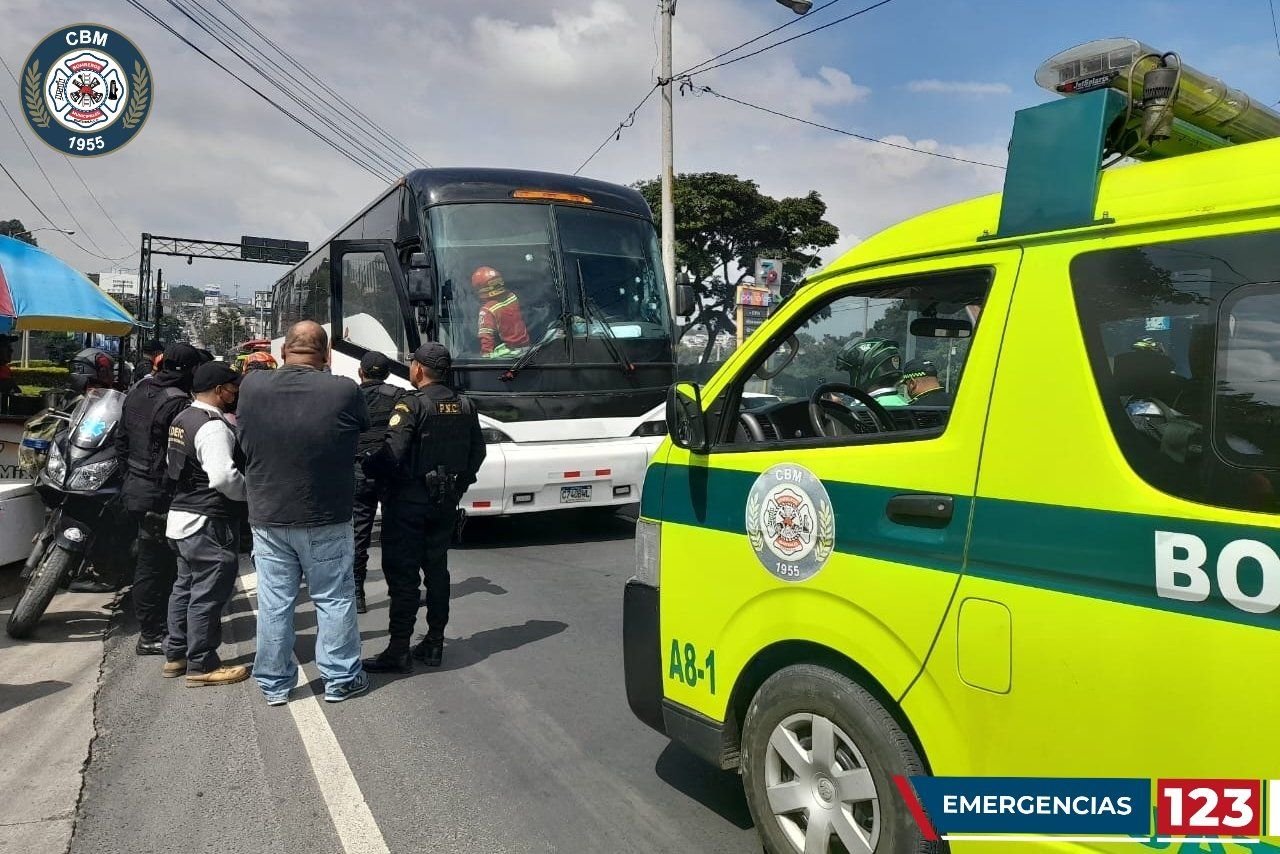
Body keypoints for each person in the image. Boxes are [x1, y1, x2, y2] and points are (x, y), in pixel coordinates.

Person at [236, 321, 370, 705]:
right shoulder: (344, 389)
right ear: (327, 356)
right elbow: (361, 430)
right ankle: (341, 678)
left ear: (282, 352)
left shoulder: (252, 385)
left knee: (275, 602)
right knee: (333, 598)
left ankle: (274, 685)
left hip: (267, 513)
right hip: (326, 512)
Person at [362, 342, 485, 673]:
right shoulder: (465, 404)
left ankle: (399, 649)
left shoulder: (412, 405)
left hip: (407, 504)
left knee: (403, 576)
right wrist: (457, 486)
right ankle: (434, 642)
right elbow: (478, 453)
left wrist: (367, 467)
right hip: (444, 504)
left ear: (418, 369)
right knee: (437, 572)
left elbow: (392, 454)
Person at [162, 361, 249, 687]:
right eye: (232, 387)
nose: (235, 392)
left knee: (184, 589)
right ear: (218, 390)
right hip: (208, 521)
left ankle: (176, 655)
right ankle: (202, 665)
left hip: (183, 518)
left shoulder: (183, 418)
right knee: (207, 595)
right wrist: (248, 495)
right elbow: (223, 477)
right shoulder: (212, 426)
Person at [116, 343, 203, 654]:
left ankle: (157, 626)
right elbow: (177, 458)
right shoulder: (179, 404)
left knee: (154, 560)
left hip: (135, 485)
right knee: (156, 563)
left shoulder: (139, 389)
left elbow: (122, 439)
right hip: (158, 492)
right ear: (192, 371)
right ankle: (151, 634)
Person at [352, 351, 401, 614]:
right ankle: (398, 591)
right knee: (394, 535)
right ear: (388, 373)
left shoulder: (350, 397)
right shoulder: (399, 396)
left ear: (361, 372)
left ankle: (357, 593)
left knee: (358, 535)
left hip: (359, 471)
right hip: (390, 470)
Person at [471, 266, 530, 357]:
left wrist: (486, 357)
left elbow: (486, 337)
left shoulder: (487, 310)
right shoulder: (512, 296)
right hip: (527, 350)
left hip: (508, 355)